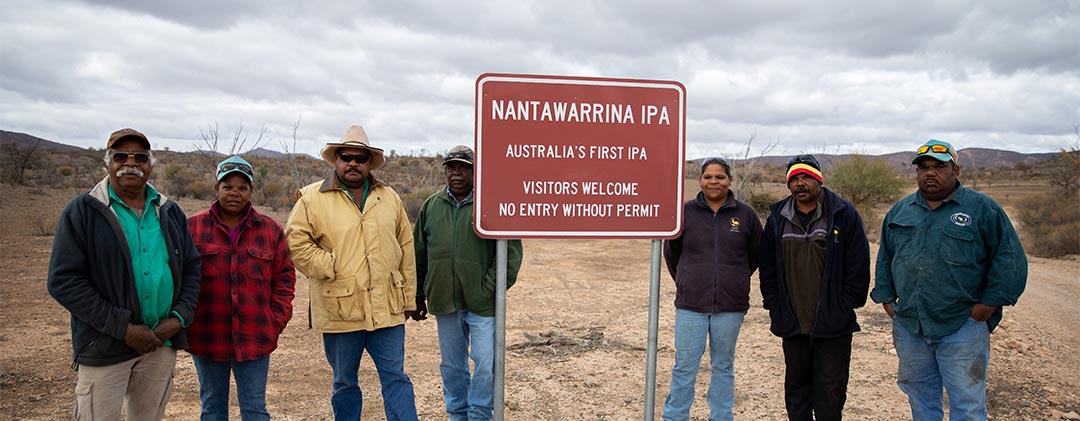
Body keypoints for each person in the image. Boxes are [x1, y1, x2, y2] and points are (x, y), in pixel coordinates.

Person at [47, 128, 201, 421]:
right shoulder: (83, 211)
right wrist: (124, 328)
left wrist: (179, 319)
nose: (130, 163)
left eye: (140, 157)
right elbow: (63, 281)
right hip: (104, 346)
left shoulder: (168, 211)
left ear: (150, 164)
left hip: (160, 344)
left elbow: (192, 268)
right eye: (121, 156)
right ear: (107, 162)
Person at [872, 139, 1027, 420]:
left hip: (962, 325)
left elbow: (1009, 260)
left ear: (955, 169)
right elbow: (886, 257)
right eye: (923, 167)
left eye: (938, 167)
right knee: (920, 399)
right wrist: (886, 299)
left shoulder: (982, 209)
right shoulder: (900, 211)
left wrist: (987, 306)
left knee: (967, 403)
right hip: (910, 325)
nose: (930, 173)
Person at [285, 125, 419, 420]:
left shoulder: (390, 197)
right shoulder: (311, 198)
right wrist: (331, 265)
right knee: (345, 383)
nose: (353, 163)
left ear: (370, 162)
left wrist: (409, 298)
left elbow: (405, 249)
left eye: (360, 158)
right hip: (340, 309)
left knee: (396, 378)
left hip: (387, 308)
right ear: (336, 160)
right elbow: (296, 242)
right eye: (346, 157)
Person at [412, 145, 523, 421]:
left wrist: (489, 289)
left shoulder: (492, 203)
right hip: (444, 300)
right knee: (451, 365)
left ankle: (480, 414)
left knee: (485, 361)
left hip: (482, 303)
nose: (456, 172)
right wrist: (417, 294)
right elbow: (418, 253)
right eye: (451, 167)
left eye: (463, 167)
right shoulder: (431, 206)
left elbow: (510, 254)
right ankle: (457, 414)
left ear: (476, 171)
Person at [759, 154, 870, 421]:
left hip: (833, 323)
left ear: (818, 180)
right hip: (793, 322)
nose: (800, 184)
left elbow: (858, 265)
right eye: (794, 179)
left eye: (806, 177)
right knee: (796, 391)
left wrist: (845, 305)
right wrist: (775, 305)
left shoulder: (843, 214)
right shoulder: (777, 218)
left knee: (830, 392)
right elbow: (768, 268)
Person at [186, 156, 296, 420]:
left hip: (255, 335)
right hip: (206, 335)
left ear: (251, 192)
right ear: (216, 189)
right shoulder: (192, 227)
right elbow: (181, 278)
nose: (234, 193)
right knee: (212, 407)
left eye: (242, 187)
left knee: (255, 408)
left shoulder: (270, 230)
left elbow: (284, 279)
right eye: (227, 186)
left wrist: (275, 322)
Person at [661, 157, 763, 421]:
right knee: (684, 367)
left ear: (730, 180)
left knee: (723, 366)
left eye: (720, 177)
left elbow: (754, 256)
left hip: (730, 307)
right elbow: (673, 254)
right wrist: (688, 280)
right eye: (708, 176)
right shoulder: (685, 213)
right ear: (700, 181)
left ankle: (721, 416)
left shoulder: (746, 215)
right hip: (690, 307)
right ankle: (675, 417)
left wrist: (734, 279)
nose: (714, 181)